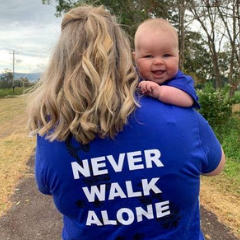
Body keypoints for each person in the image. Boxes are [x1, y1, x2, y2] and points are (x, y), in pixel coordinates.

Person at [27, 4, 225, 240]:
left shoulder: (53, 129)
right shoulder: (182, 113)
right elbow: (216, 167)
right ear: (126, 55)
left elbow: (48, 188)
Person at [133, 18, 200, 108]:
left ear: (178, 56)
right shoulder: (132, 77)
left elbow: (188, 100)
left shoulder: (180, 80)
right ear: (135, 58)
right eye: (148, 56)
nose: (158, 62)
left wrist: (160, 92)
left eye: (166, 55)